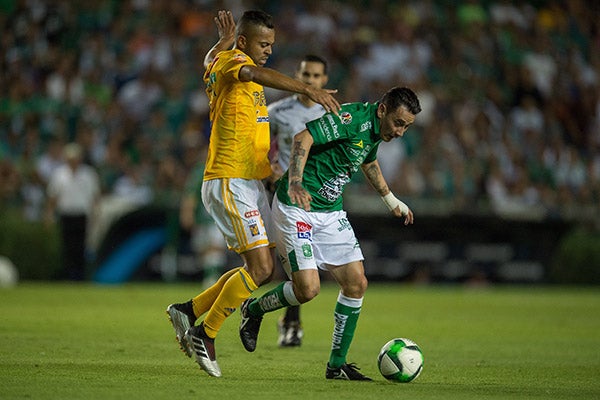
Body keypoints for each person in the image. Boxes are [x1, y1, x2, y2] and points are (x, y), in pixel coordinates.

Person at [166, 9, 340, 378]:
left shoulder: (221, 56)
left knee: (263, 264)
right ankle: (206, 333)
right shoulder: (235, 62)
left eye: (272, 45)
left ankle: (189, 310)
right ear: (244, 43)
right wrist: (308, 90)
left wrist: (222, 40)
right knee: (261, 267)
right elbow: (251, 70)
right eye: (263, 44)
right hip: (230, 179)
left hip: (251, 179)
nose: (269, 51)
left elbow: (208, 58)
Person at [239, 86, 421, 380]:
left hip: (330, 212)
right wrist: (295, 181)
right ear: (382, 109)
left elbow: (368, 160)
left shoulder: (376, 132)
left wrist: (390, 199)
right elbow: (303, 137)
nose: (400, 132)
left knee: (356, 283)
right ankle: (254, 309)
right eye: (398, 123)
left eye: (406, 127)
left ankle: (336, 366)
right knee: (307, 290)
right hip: (296, 206)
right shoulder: (350, 117)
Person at [267, 54, 330, 347]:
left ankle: (290, 321)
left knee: (304, 264)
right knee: (282, 263)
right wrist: (272, 169)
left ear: (324, 81)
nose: (310, 81)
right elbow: (261, 147)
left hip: (316, 197)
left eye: (316, 77)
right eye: (306, 75)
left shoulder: (329, 114)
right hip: (281, 194)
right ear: (297, 76)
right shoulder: (277, 111)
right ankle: (290, 321)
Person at [44, 142, 100, 280]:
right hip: (66, 215)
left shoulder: (88, 174)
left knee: (80, 247)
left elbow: (95, 198)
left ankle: (80, 277)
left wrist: (95, 215)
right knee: (67, 247)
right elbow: (53, 197)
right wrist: (49, 214)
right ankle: (69, 276)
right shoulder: (59, 174)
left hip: (81, 215)